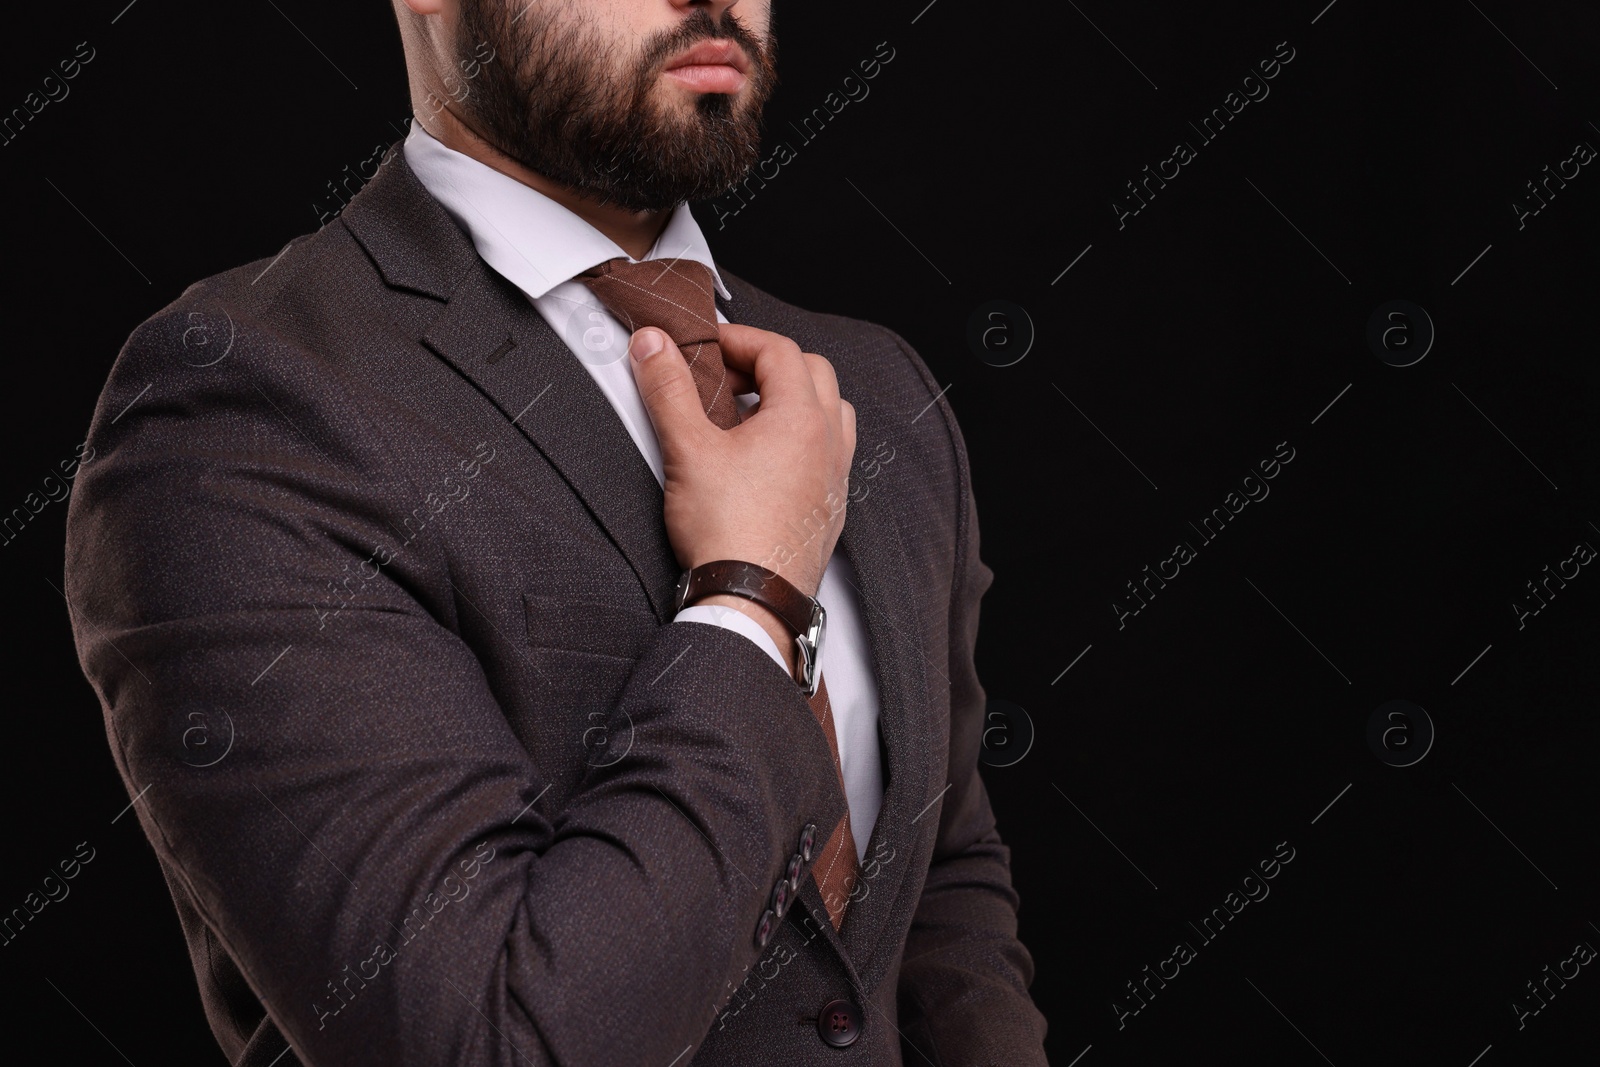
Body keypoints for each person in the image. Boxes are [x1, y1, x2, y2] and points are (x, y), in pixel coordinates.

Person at [63, 1, 1048, 1063]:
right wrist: (752, 591)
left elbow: (946, 881)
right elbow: (493, 1037)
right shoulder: (240, 403)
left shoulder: (876, 389)